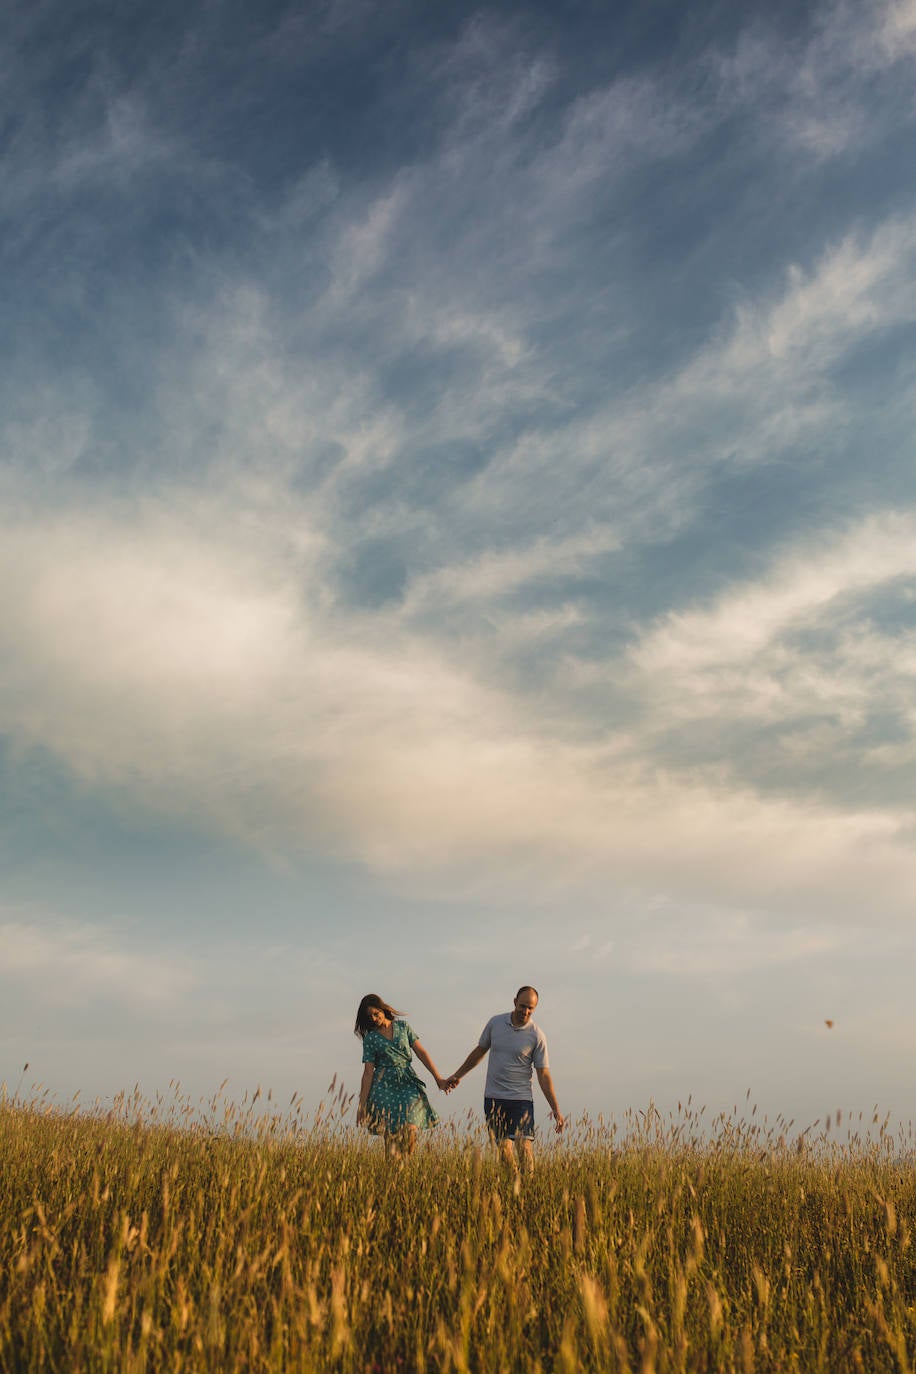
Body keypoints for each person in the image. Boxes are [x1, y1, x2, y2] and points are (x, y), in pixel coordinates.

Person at [446, 986, 564, 1172]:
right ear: (515, 1001)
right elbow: (479, 1052)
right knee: (503, 1150)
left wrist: (555, 1108)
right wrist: (458, 1075)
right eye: (523, 1005)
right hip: (494, 1098)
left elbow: (543, 1074)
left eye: (530, 1008)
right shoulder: (495, 1023)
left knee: (524, 1147)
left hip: (521, 1099)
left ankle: (528, 1189)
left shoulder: (537, 1035)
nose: (526, 1011)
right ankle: (514, 1187)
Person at [354, 993, 449, 1158]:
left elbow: (422, 1053)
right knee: (390, 1137)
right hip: (383, 1085)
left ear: (382, 1009)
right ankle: (393, 1175)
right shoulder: (370, 1039)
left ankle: (406, 1162)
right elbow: (368, 1073)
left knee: (411, 1129)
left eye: (376, 1014)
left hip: (407, 1080)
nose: (374, 1018)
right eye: (370, 1017)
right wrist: (362, 1106)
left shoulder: (403, 1027)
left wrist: (438, 1078)